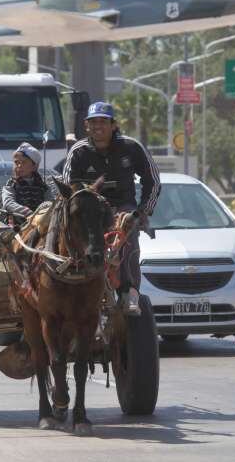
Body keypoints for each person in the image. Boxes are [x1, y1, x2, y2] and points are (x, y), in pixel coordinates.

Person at [62, 101, 160, 315]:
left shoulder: (132, 147)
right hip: (89, 210)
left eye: (103, 122)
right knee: (75, 242)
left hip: (121, 207)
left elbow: (153, 180)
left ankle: (129, 292)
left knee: (128, 234)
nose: (98, 126)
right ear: (86, 126)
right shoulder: (78, 151)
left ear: (113, 125)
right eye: (93, 122)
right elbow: (67, 187)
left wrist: (143, 211)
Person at [1, 142, 55, 223]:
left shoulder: (43, 187)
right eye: (16, 162)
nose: (19, 166)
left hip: (40, 224)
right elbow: (8, 203)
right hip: (18, 227)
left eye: (23, 162)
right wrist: (27, 212)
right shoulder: (11, 185)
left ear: (34, 166)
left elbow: (50, 204)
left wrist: (40, 215)